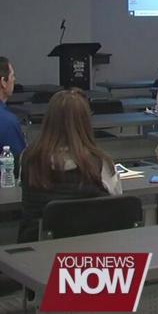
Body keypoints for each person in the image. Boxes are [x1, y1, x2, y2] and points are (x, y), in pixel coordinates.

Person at [18, 89, 122, 242]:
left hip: (36, 253)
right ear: (85, 122)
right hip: (88, 252)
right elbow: (116, 197)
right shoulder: (100, 162)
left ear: (49, 120)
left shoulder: (28, 158)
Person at [0, 57, 26, 162]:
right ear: (3, 82)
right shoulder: (7, 121)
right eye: (12, 76)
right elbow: (19, 163)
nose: (14, 79)